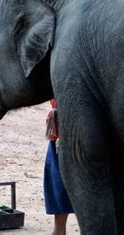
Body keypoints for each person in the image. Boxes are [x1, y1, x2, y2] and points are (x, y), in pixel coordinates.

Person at [44, 99, 74, 235]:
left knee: (59, 181)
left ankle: (59, 230)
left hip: (69, 131)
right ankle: (59, 230)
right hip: (61, 130)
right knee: (58, 182)